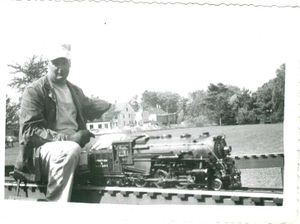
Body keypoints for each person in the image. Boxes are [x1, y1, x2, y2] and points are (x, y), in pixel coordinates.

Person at [15, 44, 111, 202]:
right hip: (42, 149)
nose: (60, 68)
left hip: (73, 142)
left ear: (70, 64)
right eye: (56, 63)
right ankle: (55, 207)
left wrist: (109, 104)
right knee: (69, 149)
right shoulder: (35, 90)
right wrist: (69, 139)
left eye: (64, 63)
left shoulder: (75, 90)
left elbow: (90, 106)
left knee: (111, 141)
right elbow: (30, 131)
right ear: (48, 64)